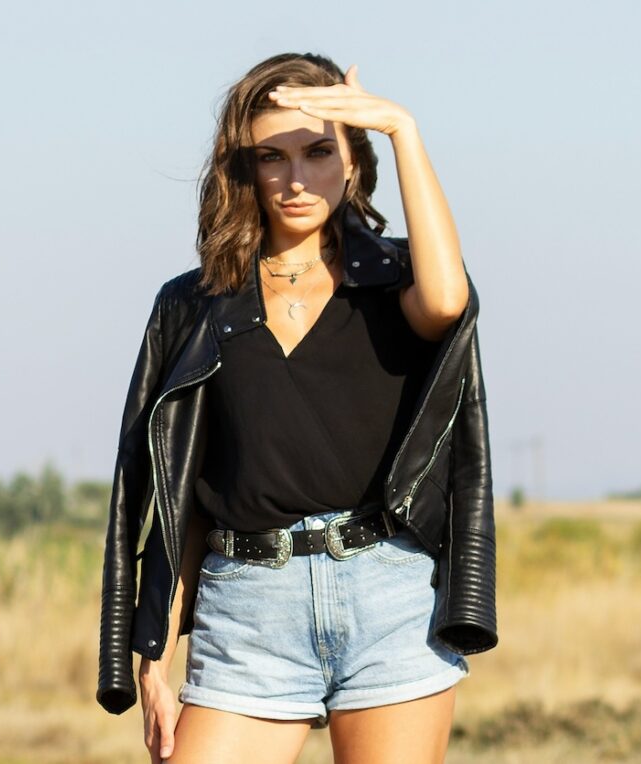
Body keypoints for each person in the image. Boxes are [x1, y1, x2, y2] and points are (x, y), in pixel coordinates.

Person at [96, 52, 497, 764]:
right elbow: (184, 496)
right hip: (247, 609)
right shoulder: (193, 306)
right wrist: (153, 654)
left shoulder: (395, 281)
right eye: (270, 157)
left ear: (352, 161)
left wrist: (404, 129)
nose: (294, 177)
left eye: (318, 151)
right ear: (244, 170)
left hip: (386, 594)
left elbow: (446, 303)